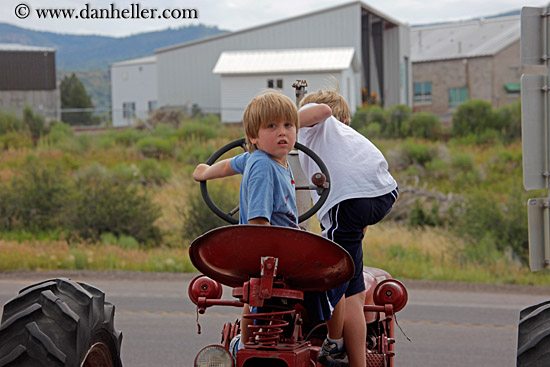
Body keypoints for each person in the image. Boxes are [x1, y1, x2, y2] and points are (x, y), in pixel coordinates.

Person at [192, 91, 303, 357]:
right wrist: (270, 258)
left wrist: (206, 172)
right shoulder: (264, 166)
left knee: (253, 303)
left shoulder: (270, 159)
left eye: (288, 125)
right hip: (272, 253)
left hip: (274, 252)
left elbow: (232, 163)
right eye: (272, 126)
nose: (282, 133)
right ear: (253, 137)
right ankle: (333, 344)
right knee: (331, 286)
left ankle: (242, 342)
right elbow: (258, 223)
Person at [297, 90, 398, 367]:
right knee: (352, 289)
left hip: (350, 199)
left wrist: (275, 121)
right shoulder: (347, 142)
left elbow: (322, 112)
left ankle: (335, 343)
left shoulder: (316, 123)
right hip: (383, 193)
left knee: (328, 271)